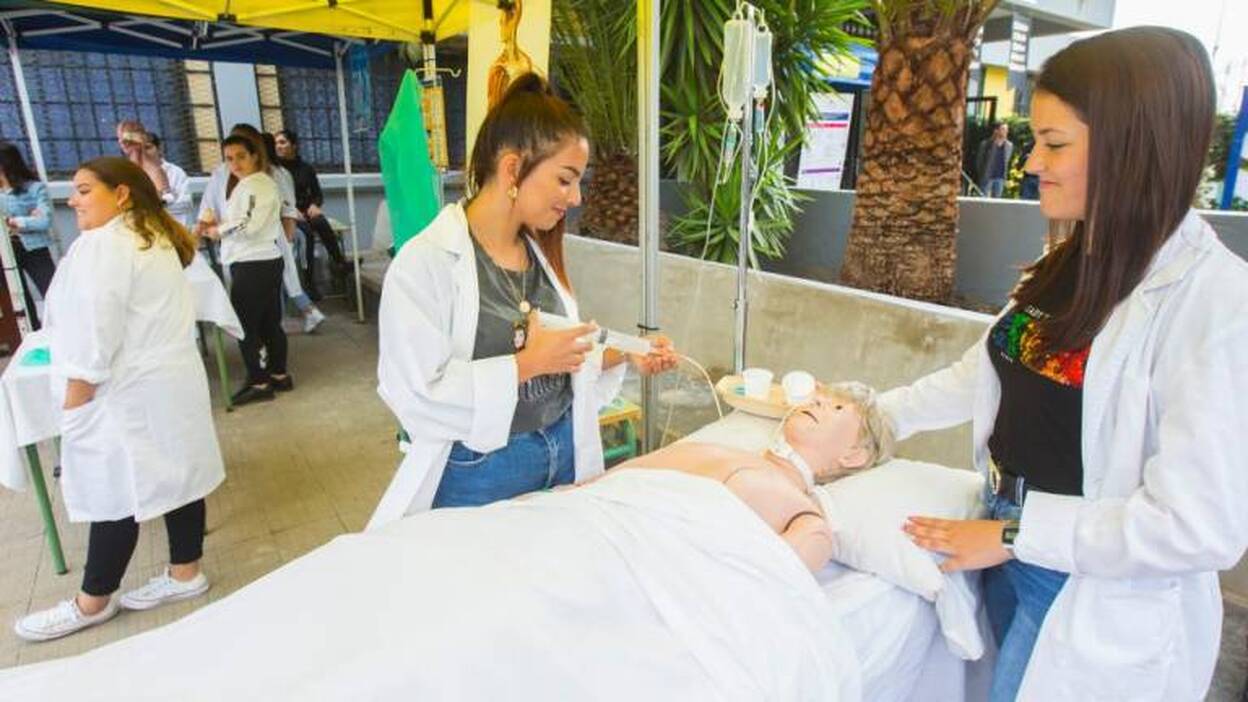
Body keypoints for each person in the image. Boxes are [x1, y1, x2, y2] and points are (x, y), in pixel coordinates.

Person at [886, 27, 1248, 701]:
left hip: (1082, 581)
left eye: (1054, 144)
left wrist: (1017, 534)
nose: (1031, 164)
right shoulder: (1072, 262)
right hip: (1003, 539)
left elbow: (1196, 526)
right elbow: (988, 373)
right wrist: (878, 417)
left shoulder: (1217, 304)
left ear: (1130, 146)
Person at [368, 74, 679, 527]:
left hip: (563, 450)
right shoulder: (427, 263)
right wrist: (525, 365)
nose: (576, 198)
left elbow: (561, 357)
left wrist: (627, 355)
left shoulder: (538, 252)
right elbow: (415, 394)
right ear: (513, 169)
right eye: (565, 180)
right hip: (483, 471)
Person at [14, 157, 224, 642]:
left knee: (112, 491)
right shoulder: (152, 238)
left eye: (84, 190)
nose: (73, 200)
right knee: (177, 474)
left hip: (124, 391)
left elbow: (94, 333)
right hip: (166, 384)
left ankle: (92, 601)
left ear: (122, 193)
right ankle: (186, 573)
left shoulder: (106, 246)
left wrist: (76, 403)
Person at [611, 383, 893, 570]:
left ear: (854, 456)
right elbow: (615, 479)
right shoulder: (715, 451)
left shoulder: (806, 521)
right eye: (820, 397)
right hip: (601, 524)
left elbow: (750, 589)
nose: (817, 400)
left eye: (837, 407)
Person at [200, 135, 291, 405]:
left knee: (246, 326)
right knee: (269, 322)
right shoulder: (252, 184)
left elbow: (249, 223)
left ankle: (260, 382)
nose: (235, 163)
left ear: (255, 156)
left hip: (253, 263)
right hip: (261, 261)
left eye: (241, 156)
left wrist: (218, 230)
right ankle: (278, 374)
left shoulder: (257, 184)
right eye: (229, 159)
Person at [275, 129, 347, 299]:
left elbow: (317, 193)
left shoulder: (306, 168)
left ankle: (340, 263)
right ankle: (309, 283)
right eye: (276, 143)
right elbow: (276, 197)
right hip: (288, 214)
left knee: (321, 222)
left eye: (283, 142)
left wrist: (315, 205)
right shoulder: (276, 170)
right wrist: (292, 211)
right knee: (306, 234)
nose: (278, 146)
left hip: (306, 211)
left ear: (294, 145)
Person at [0, 142, 56, 330]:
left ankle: (64, 329)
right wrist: (29, 218)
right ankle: (32, 332)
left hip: (34, 248)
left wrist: (15, 222)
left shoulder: (34, 188)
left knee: (52, 291)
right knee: (19, 299)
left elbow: (44, 221)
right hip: (5, 253)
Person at [975, 122, 1013, 198]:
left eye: (1006, 130)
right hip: (987, 177)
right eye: (1003, 129)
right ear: (996, 131)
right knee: (983, 199)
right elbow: (979, 161)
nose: (1006, 132)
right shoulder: (986, 144)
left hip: (1000, 178)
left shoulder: (1009, 145)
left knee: (996, 200)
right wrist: (982, 174)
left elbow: (1007, 161)